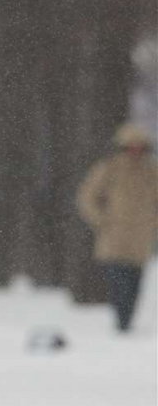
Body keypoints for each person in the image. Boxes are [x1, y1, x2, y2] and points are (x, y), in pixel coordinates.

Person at [77, 123, 158, 332]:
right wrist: (101, 219)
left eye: (139, 146)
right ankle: (121, 321)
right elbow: (87, 197)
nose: (135, 151)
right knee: (118, 282)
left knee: (134, 283)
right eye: (131, 146)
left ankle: (128, 320)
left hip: (141, 238)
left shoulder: (151, 171)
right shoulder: (110, 168)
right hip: (114, 237)